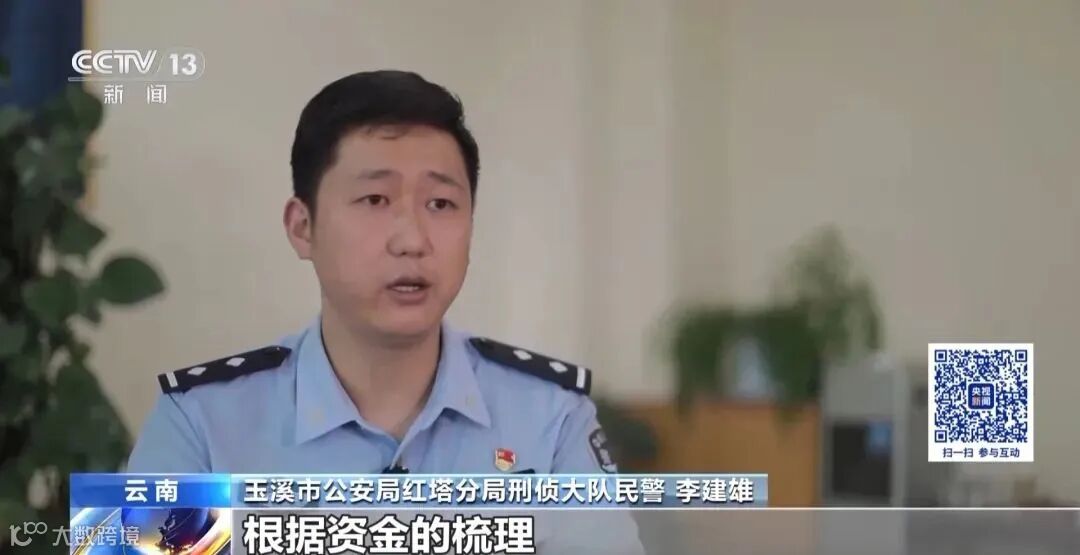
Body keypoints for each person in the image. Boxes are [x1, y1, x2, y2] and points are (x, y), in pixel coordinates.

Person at [127, 70, 645, 553]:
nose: (412, 239)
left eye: (440, 204)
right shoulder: (201, 421)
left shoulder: (550, 416)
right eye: (375, 199)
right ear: (302, 227)